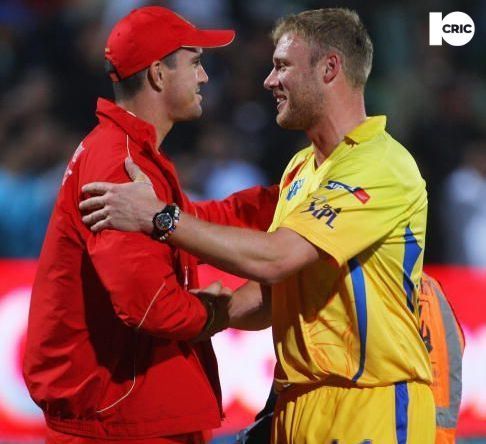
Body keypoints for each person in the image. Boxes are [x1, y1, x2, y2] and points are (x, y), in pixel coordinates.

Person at [80, 8, 436, 443]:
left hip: (371, 405)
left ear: (329, 69)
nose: (269, 81)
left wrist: (160, 218)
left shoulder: (382, 164)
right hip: (299, 404)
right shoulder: (300, 169)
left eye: (282, 65)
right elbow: (275, 296)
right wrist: (203, 315)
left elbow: (278, 259)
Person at [23, 6, 278, 444]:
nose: (204, 78)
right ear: (159, 74)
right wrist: (218, 313)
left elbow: (186, 225)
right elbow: (148, 305)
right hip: (120, 418)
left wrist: (277, 199)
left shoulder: (128, 151)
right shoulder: (120, 162)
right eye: (196, 63)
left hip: (126, 409)